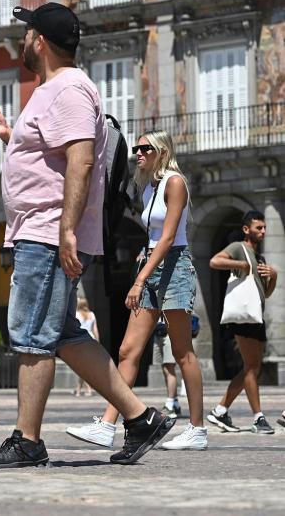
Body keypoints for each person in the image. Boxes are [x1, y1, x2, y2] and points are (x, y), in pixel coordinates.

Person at [0, 3, 174, 469]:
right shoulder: (53, 91)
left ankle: (27, 440)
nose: (22, 40)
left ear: (40, 41)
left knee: (30, 334)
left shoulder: (68, 89)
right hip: (42, 228)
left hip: (47, 232)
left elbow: (81, 160)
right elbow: (52, 159)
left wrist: (66, 230)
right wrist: (8, 134)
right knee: (59, 332)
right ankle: (141, 418)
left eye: (27, 33)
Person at [68, 131, 207, 451]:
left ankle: (197, 429)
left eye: (146, 149)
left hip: (174, 267)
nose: (139, 154)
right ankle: (107, 424)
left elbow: (170, 238)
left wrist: (139, 279)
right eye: (137, 149)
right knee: (129, 350)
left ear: (162, 151)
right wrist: (144, 261)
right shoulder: (150, 188)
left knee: (182, 351)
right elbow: (155, 237)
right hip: (153, 265)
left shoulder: (174, 182)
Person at [207, 210, 278, 435]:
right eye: (259, 228)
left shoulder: (261, 258)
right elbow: (214, 261)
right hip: (243, 319)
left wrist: (273, 277)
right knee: (252, 367)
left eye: (264, 228)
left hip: (255, 315)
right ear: (247, 229)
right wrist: (241, 264)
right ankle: (258, 417)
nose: (263, 231)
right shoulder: (239, 248)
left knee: (252, 367)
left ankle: (220, 410)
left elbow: (264, 294)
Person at [74, 300, 99, 396]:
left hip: (80, 341)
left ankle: (84, 389)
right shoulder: (92, 315)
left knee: (81, 367)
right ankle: (81, 389)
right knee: (85, 367)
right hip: (91, 340)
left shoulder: (76, 314)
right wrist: (97, 342)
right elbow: (95, 329)